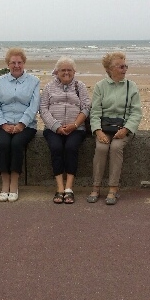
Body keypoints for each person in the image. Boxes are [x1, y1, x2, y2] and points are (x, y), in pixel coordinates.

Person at [87, 52, 142, 205]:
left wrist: (126, 129)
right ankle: (96, 186)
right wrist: (98, 131)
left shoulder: (132, 86)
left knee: (116, 147)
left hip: (123, 128)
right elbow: (95, 111)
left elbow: (136, 112)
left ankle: (113, 187)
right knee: (101, 148)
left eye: (126, 66)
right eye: (121, 66)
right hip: (104, 128)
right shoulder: (100, 86)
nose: (124, 69)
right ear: (110, 69)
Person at [0, 48, 40, 202]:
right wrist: (3, 124)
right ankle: (5, 183)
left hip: (26, 125)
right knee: (4, 144)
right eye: (13, 62)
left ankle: (15, 183)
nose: (16, 65)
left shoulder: (34, 81)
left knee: (17, 143)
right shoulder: (0, 81)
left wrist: (21, 124)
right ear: (8, 64)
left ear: (24, 63)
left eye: (19, 62)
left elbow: (34, 105)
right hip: (4, 123)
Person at [40, 57, 91, 204]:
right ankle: (59, 188)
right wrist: (56, 126)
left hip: (76, 128)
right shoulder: (49, 87)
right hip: (53, 129)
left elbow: (86, 108)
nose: (66, 73)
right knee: (56, 147)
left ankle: (69, 188)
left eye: (69, 70)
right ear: (56, 72)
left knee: (71, 147)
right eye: (63, 70)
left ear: (74, 72)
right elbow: (43, 109)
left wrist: (74, 125)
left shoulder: (80, 86)